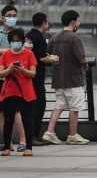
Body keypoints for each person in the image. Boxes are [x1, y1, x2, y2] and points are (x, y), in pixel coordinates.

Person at [40, 10, 88, 145]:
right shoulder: (74, 37)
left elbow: (48, 54)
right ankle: (73, 136)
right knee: (75, 109)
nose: (79, 23)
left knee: (59, 106)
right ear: (73, 23)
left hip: (58, 79)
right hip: (73, 79)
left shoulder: (55, 37)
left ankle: (49, 132)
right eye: (78, 20)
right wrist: (85, 65)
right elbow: (81, 58)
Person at [0, 28, 37, 156]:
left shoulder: (29, 54)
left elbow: (33, 73)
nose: (15, 42)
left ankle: (29, 147)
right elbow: (1, 73)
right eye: (13, 41)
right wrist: (9, 70)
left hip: (26, 92)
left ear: (22, 40)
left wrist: (22, 70)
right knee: (8, 121)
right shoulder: (5, 55)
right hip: (9, 91)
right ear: (10, 41)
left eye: (18, 40)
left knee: (27, 120)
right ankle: (6, 147)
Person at [25, 12, 57, 144]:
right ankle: (33, 136)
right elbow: (40, 58)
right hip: (37, 77)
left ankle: (30, 136)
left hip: (27, 76)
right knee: (39, 106)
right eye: (47, 22)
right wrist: (53, 58)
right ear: (44, 23)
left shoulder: (28, 36)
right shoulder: (40, 38)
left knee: (30, 107)